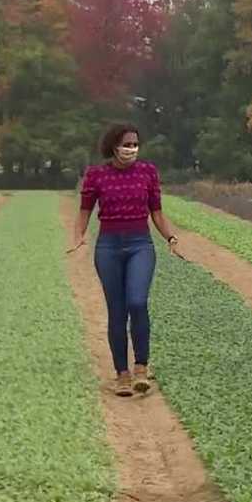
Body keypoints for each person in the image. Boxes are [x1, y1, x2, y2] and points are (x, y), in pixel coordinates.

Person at [70, 123, 186, 397]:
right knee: (117, 311)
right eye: (126, 145)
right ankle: (122, 374)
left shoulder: (148, 172)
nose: (131, 150)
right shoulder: (96, 175)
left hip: (140, 244)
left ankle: (141, 368)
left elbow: (157, 212)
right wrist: (78, 236)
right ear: (113, 146)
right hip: (108, 246)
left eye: (135, 145)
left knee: (137, 301)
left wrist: (170, 237)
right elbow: (85, 211)